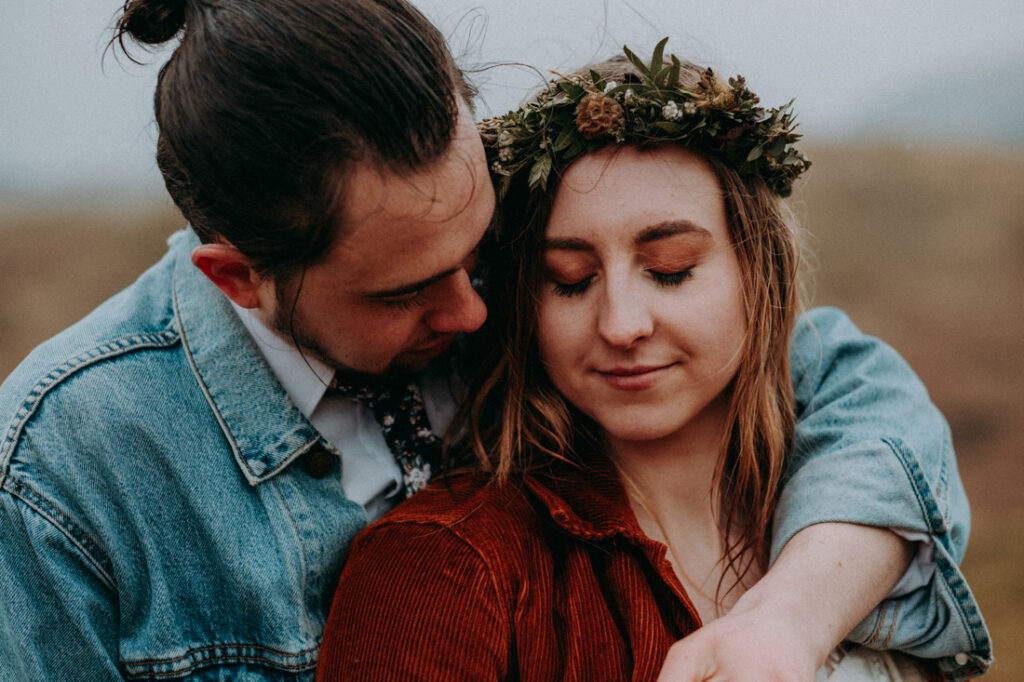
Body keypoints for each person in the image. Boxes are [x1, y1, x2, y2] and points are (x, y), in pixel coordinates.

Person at [0, 0, 980, 675]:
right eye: (407, 295)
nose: (476, 316)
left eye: (484, 257)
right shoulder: (64, 471)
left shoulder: (528, 285)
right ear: (239, 277)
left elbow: (833, 376)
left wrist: (786, 617)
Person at [316, 44, 991, 680]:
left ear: (759, 272)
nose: (621, 325)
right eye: (571, 279)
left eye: (670, 270)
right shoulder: (442, 568)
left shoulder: (853, 524)